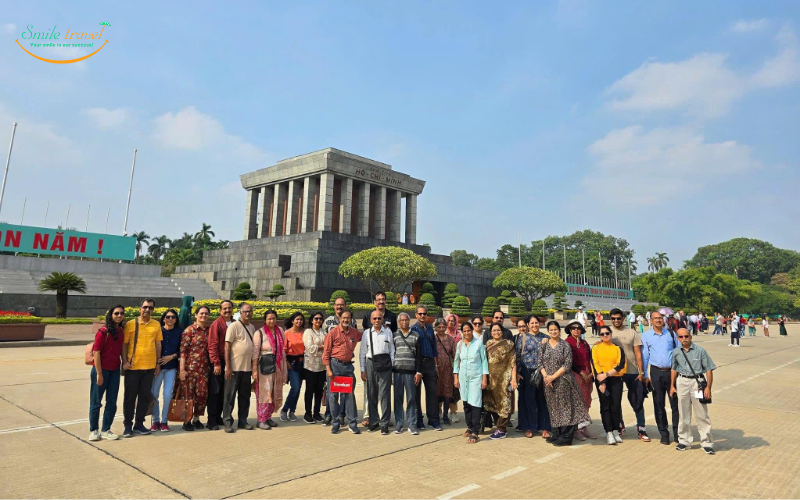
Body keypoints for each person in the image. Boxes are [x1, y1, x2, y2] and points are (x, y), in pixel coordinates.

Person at [537, 321, 591, 446]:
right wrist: (546, 377)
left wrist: (553, 377)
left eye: (555, 329)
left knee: (566, 408)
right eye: (551, 330)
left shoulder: (565, 345)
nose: (553, 332)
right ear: (548, 331)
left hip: (563, 381)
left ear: (559, 331)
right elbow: (539, 363)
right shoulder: (543, 346)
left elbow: (567, 365)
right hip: (548, 383)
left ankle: (567, 437)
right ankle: (556, 434)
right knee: (553, 408)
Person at [670, 328, 716, 454]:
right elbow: (674, 368)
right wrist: (672, 385)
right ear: (678, 339)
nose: (684, 339)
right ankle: (684, 440)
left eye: (686, 336)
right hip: (682, 382)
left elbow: (709, 369)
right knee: (683, 413)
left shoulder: (700, 351)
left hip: (697, 383)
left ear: (691, 337)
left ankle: (706, 442)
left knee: (701, 413)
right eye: (681, 337)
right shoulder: (676, 352)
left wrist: (708, 388)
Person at [607, 308, 650, 442]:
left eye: (618, 318)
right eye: (613, 318)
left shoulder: (631, 332)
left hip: (632, 371)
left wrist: (641, 371)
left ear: (623, 318)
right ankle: (619, 425)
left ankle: (641, 428)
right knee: (616, 401)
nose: (616, 321)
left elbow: (638, 353)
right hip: (616, 372)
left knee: (637, 400)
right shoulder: (608, 331)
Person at [121, 299, 162, 437]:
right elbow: (124, 345)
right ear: (140, 309)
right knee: (130, 398)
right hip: (133, 368)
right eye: (145, 307)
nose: (147, 310)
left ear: (153, 310)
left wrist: (157, 364)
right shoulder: (131, 324)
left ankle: (139, 423)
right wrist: (125, 362)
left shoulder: (156, 325)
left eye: (150, 308)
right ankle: (127, 425)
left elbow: (158, 345)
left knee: (144, 397)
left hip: (149, 367)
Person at [88, 305, 126, 441]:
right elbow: (96, 353)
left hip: (114, 371)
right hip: (101, 370)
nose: (119, 316)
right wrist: (99, 373)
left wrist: (124, 362)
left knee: (112, 401)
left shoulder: (121, 331)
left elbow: (121, 349)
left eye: (121, 313)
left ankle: (106, 429)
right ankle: (94, 430)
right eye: (116, 313)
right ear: (110, 315)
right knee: (96, 402)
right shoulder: (103, 332)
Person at [641, 311, 680, 445]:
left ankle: (677, 433)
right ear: (651, 321)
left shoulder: (670, 334)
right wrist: (645, 375)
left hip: (672, 372)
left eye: (660, 318)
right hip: (656, 373)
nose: (658, 320)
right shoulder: (646, 336)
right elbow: (645, 356)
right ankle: (664, 433)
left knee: (675, 403)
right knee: (659, 404)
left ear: (663, 320)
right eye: (655, 318)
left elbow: (679, 352)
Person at [360, 292, 398, 426]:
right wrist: (362, 368)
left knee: (385, 393)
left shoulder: (392, 317)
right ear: (374, 302)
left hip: (385, 360)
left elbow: (393, 341)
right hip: (371, 360)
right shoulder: (367, 317)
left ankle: (384, 420)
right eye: (378, 299)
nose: (381, 301)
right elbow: (364, 348)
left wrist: (392, 365)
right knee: (370, 391)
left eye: (383, 299)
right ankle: (370, 417)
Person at [323, 309, 362, 434]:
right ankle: (335, 423)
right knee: (333, 396)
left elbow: (367, 335)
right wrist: (328, 369)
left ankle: (352, 423)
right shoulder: (333, 333)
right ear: (339, 319)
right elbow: (326, 353)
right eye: (343, 318)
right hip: (335, 367)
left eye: (348, 318)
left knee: (349, 395)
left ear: (351, 320)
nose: (345, 320)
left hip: (348, 368)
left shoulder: (355, 333)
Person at [515, 315, 551, 439]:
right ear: (528, 325)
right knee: (529, 400)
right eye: (532, 323)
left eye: (536, 323)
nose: (534, 325)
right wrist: (518, 373)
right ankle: (529, 427)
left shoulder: (546, 337)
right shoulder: (523, 338)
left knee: (542, 400)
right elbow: (518, 356)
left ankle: (544, 427)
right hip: (527, 373)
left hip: (542, 373)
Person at [453, 321, 488, 444]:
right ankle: (469, 426)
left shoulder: (478, 344)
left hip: (476, 377)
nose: (467, 333)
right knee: (466, 403)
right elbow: (457, 361)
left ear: (472, 330)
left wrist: (484, 378)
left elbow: (484, 362)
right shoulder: (460, 344)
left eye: (469, 330)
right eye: (464, 331)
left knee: (476, 404)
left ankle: (475, 431)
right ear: (462, 332)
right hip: (463, 378)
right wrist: (456, 378)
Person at [591, 325, 627, 445]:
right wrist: (601, 381)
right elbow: (595, 365)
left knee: (616, 405)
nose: (605, 335)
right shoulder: (596, 348)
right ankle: (609, 432)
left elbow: (621, 366)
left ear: (611, 334)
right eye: (602, 334)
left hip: (615, 379)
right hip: (602, 381)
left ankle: (616, 430)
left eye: (607, 333)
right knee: (605, 406)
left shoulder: (617, 348)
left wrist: (606, 375)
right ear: (600, 336)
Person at [223, 302, 256, 433]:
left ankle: (243, 421)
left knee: (244, 396)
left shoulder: (252, 327)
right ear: (240, 313)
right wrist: (228, 366)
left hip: (246, 369)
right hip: (234, 368)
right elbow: (227, 347)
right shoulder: (234, 326)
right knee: (229, 397)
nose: (247, 314)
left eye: (250, 311)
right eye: (245, 311)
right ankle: (227, 422)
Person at [252, 309, 287, 430]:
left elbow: (282, 349)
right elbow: (255, 353)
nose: (272, 321)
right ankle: (260, 419)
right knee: (264, 393)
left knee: (273, 392)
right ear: (265, 320)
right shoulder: (260, 333)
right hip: (264, 368)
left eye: (273, 318)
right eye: (269, 319)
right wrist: (254, 370)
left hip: (276, 366)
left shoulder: (280, 331)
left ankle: (268, 417)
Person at [178, 305, 210, 431]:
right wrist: (182, 370)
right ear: (196, 315)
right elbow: (183, 352)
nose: (203, 316)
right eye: (201, 313)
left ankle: (197, 419)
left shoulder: (208, 330)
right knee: (188, 396)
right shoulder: (189, 331)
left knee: (201, 395)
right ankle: (187, 420)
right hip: (190, 370)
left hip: (204, 369)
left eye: (206, 313)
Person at [411, 304, 442, 431]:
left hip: (430, 363)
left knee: (432, 392)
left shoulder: (430, 328)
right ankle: (419, 419)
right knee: (416, 393)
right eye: (420, 314)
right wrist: (416, 368)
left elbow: (434, 347)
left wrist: (436, 364)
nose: (422, 316)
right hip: (418, 364)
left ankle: (433, 419)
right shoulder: (413, 329)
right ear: (416, 315)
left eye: (424, 313)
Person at [484, 323, 517, 440]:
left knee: (505, 403)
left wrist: (513, 378)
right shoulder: (487, 344)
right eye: (494, 330)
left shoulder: (509, 344)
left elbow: (513, 362)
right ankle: (498, 426)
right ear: (491, 332)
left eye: (498, 330)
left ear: (502, 332)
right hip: (491, 380)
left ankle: (502, 429)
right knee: (492, 403)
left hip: (504, 379)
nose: (496, 332)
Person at [150, 308, 181, 432]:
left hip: (171, 368)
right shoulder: (158, 330)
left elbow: (183, 349)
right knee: (154, 394)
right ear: (163, 319)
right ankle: (155, 420)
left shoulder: (180, 331)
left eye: (173, 317)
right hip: (157, 368)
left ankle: (164, 421)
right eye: (168, 317)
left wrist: (172, 356)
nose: (170, 319)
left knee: (167, 394)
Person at [392, 312, 422, 434]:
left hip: (411, 372)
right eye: (402, 320)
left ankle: (412, 424)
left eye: (406, 320)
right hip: (397, 372)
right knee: (398, 399)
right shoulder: (394, 336)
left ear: (409, 321)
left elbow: (419, 355)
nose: (404, 322)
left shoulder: (416, 335)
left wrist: (418, 372)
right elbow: (391, 353)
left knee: (411, 399)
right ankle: (399, 423)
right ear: (399, 322)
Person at [564, 320, 594, 440]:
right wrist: (580, 372)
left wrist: (591, 373)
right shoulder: (567, 343)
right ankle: (575, 428)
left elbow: (590, 358)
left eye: (578, 328)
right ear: (570, 330)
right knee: (576, 402)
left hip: (588, 376)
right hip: (575, 375)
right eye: (573, 328)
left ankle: (584, 427)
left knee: (586, 401)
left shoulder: (585, 343)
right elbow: (568, 361)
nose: (576, 330)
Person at [207, 300, 233, 430]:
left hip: (231, 362)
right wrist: (216, 363)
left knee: (225, 391)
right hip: (219, 362)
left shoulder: (235, 323)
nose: (227, 311)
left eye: (229, 308)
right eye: (224, 309)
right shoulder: (216, 324)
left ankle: (219, 417)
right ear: (220, 310)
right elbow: (212, 345)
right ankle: (211, 420)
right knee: (215, 391)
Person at [322, 297, 348, 426]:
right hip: (332, 361)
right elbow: (325, 341)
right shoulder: (328, 322)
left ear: (345, 305)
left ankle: (342, 415)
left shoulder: (351, 321)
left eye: (342, 305)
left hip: (345, 362)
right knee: (331, 390)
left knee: (344, 389)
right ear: (334, 306)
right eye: (337, 305)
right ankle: (329, 414)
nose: (339, 307)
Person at [280, 312, 306, 422]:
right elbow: (283, 349)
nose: (299, 321)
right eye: (297, 319)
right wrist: (285, 362)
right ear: (292, 321)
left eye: (301, 319)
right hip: (292, 363)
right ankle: (284, 410)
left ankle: (292, 411)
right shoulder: (286, 333)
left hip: (303, 363)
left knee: (298, 388)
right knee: (295, 387)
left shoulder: (304, 333)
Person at [302, 312, 327, 424]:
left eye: (320, 319)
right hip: (310, 366)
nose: (318, 320)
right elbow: (310, 348)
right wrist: (323, 347)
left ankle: (316, 413)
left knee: (319, 390)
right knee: (310, 390)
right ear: (311, 320)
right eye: (316, 318)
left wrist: (322, 348)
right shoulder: (308, 332)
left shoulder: (323, 332)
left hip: (322, 366)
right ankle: (308, 413)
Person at [433, 318, 456, 425]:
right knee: (437, 392)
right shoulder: (433, 339)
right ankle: (438, 413)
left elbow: (455, 355)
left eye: (443, 327)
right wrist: (435, 365)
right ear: (436, 328)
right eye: (439, 327)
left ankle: (446, 415)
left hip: (448, 370)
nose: (441, 329)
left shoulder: (451, 339)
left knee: (447, 392)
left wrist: (456, 370)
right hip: (436, 369)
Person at [444, 313, 462, 422]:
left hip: (456, 364)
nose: (451, 322)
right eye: (449, 320)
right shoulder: (443, 333)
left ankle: (453, 412)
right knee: (442, 389)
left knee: (454, 390)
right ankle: (441, 412)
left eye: (453, 321)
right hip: (444, 365)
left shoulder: (458, 334)